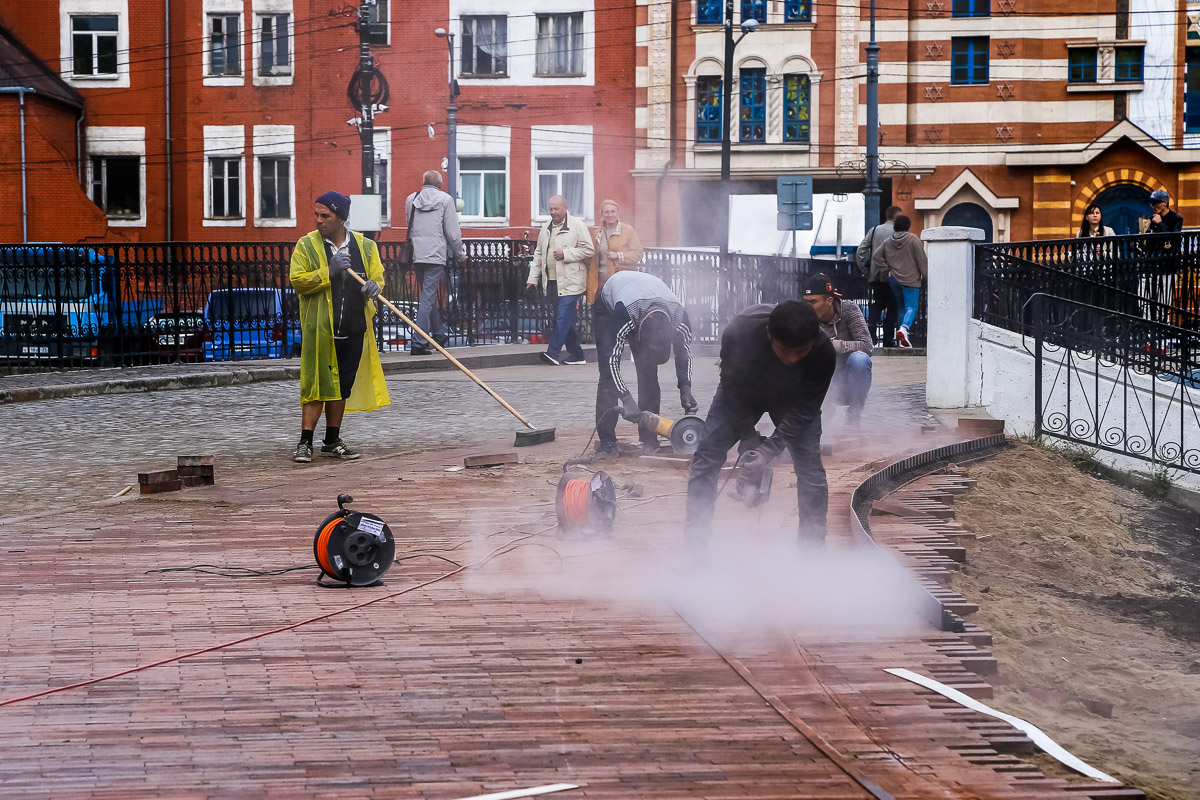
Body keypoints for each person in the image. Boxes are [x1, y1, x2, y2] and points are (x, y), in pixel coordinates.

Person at [684, 301, 835, 551]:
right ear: (769, 335)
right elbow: (731, 385)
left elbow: (805, 410)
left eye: (801, 351)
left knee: (810, 470)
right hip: (742, 392)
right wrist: (747, 435)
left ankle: (812, 552)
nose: (792, 359)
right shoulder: (739, 333)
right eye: (785, 351)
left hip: (794, 398)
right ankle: (694, 546)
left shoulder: (823, 350)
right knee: (707, 456)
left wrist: (768, 450)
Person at [289, 191, 390, 463]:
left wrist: (374, 287)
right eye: (316, 214)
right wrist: (328, 272)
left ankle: (332, 439)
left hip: (354, 327)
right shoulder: (306, 245)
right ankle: (305, 442)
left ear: (341, 218)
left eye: (326, 215)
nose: (318, 220)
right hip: (321, 329)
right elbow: (298, 280)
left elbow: (378, 277)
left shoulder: (365, 246)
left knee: (341, 386)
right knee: (316, 385)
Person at [594, 270, 695, 455]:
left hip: (644, 302)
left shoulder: (679, 318)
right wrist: (626, 399)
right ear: (640, 335)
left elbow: (685, 352)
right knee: (607, 378)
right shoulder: (623, 315)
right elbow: (611, 362)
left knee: (649, 374)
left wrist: (686, 388)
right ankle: (607, 441)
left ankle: (649, 438)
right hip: (611, 305)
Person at [527, 195, 595, 365]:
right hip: (551, 281)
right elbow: (539, 254)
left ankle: (553, 352)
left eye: (556, 208)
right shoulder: (545, 228)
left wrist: (566, 254)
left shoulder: (577, 225)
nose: (553, 212)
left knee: (563, 316)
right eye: (550, 209)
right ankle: (577, 355)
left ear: (565, 207)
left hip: (572, 280)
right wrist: (532, 279)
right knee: (563, 318)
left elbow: (589, 250)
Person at [406, 170, 465, 356]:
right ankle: (418, 341)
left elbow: (410, 225)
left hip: (417, 254)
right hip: (435, 255)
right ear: (439, 184)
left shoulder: (411, 199)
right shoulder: (446, 200)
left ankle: (438, 334)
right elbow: (452, 232)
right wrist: (460, 254)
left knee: (427, 295)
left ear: (424, 182)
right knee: (427, 297)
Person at [801, 274, 872, 427]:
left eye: (813, 302)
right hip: (822, 383)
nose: (808, 307)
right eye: (806, 302)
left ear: (829, 301)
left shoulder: (849, 309)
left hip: (848, 380)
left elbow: (867, 346)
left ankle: (854, 416)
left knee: (860, 358)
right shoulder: (804, 316)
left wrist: (834, 345)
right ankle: (819, 413)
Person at [872, 214, 927, 349]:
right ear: (908, 226)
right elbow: (922, 260)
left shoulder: (888, 241)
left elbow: (876, 256)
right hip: (910, 279)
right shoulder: (913, 239)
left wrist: (886, 269)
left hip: (894, 280)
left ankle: (903, 340)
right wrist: (926, 276)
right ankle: (904, 328)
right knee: (912, 307)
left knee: (901, 308)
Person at [855, 205, 901, 347]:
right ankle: (888, 339)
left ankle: (871, 324)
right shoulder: (900, 232)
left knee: (878, 301)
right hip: (894, 274)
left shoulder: (874, 231)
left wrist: (865, 269)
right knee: (892, 306)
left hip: (875, 274)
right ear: (897, 216)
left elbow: (860, 250)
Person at [587, 199, 644, 303]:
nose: (610, 215)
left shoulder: (628, 230)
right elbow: (594, 260)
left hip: (622, 282)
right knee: (602, 316)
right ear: (602, 214)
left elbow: (638, 254)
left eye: (613, 211)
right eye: (606, 212)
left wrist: (618, 255)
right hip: (602, 284)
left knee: (619, 314)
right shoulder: (598, 233)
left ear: (617, 213)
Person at [1142, 189, 1185, 321]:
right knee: (1143, 298)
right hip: (1150, 265)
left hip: (1167, 266)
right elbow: (1145, 245)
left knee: (1163, 300)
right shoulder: (1150, 220)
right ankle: (1147, 327)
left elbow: (1175, 240)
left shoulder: (1176, 219)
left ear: (1165, 203)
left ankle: (1162, 331)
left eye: (1156, 203)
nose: (1153, 206)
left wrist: (1160, 224)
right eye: (1151, 203)